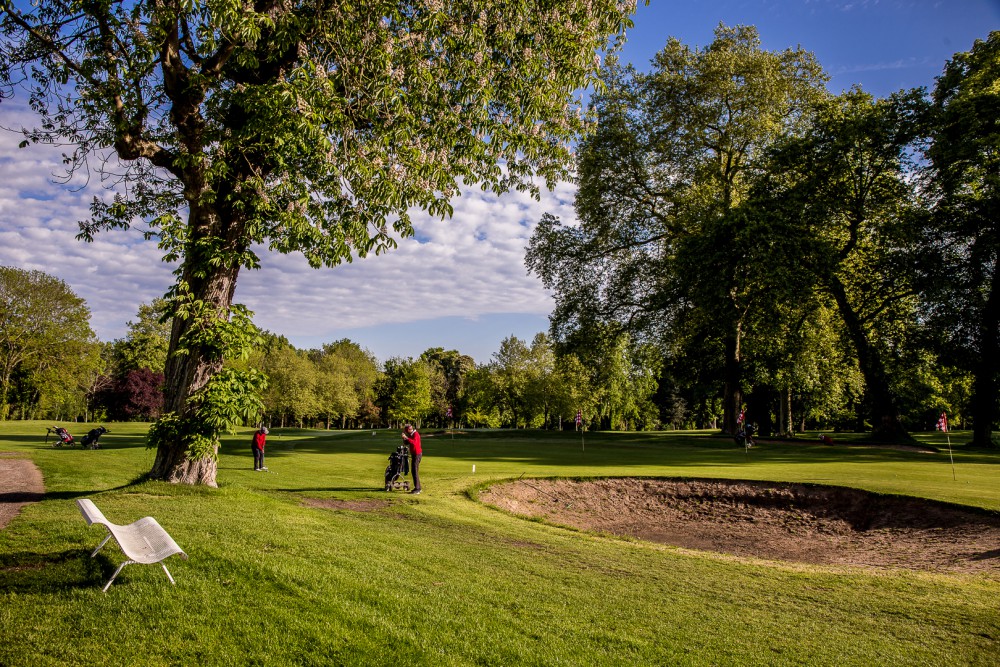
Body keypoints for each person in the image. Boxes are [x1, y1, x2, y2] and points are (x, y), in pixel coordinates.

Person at [402, 423, 422, 494]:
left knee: (414, 471)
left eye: (406, 431)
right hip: (414, 454)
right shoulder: (411, 435)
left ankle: (417, 489)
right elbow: (406, 443)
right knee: (414, 471)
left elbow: (414, 442)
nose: (406, 432)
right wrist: (404, 438)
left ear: (409, 430)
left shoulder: (415, 434)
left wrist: (407, 437)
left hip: (417, 455)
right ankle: (418, 487)